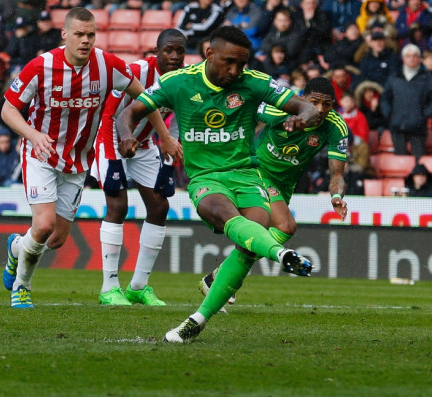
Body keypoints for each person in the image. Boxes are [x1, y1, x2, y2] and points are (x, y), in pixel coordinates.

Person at [116, 26, 319, 343]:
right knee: (225, 214)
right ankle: (280, 255)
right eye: (229, 62)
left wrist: (302, 118)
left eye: (242, 63)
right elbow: (128, 112)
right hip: (206, 178)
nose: (236, 70)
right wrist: (127, 135)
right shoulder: (178, 82)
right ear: (210, 53)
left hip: (247, 175)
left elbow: (306, 106)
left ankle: (197, 320)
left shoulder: (254, 82)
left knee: (251, 238)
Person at [0, 7, 180, 308]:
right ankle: (22, 285)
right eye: (80, 34)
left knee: (54, 239)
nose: (86, 41)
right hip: (41, 154)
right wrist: (33, 135)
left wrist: (164, 136)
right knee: (43, 226)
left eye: (91, 35)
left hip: (77, 161)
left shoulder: (107, 65)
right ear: (65, 34)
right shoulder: (41, 66)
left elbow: (146, 99)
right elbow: (7, 108)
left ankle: (17, 247)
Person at [199, 77, 349, 308]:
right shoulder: (279, 110)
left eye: (327, 104)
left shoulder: (336, 126)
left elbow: (337, 173)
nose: (320, 109)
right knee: (286, 226)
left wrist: (336, 196)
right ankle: (220, 280)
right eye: (315, 102)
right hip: (256, 173)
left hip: (285, 185)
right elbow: (243, 110)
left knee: (261, 234)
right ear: (302, 98)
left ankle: (217, 277)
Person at [92, 29, 187, 306]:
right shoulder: (134, 71)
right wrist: (121, 143)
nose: (174, 56)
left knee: (160, 207)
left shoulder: (183, 81)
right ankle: (109, 287)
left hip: (144, 144)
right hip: (111, 136)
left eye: (179, 51)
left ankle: (138, 286)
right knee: (118, 206)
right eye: (168, 50)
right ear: (156, 51)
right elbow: (110, 114)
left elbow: (178, 125)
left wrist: (169, 165)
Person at [380, 45, 432, 160]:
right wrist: (389, 114)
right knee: (400, 163)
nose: (411, 59)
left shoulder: (428, 78)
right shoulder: (394, 77)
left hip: (418, 128)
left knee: (420, 164)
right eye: (408, 56)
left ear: (419, 58)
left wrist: (422, 115)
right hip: (397, 127)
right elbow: (385, 98)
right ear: (403, 58)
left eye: (414, 56)